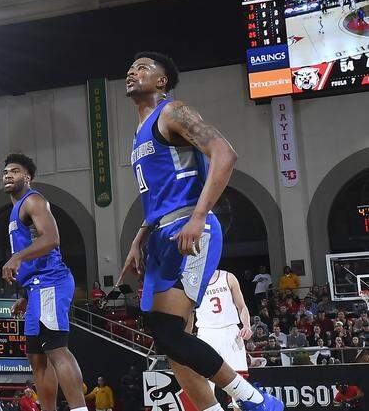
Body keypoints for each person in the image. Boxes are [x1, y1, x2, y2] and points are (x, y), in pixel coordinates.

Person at [120, 52, 281, 411]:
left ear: (162, 81)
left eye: (143, 68)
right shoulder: (138, 132)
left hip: (190, 231)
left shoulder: (173, 111)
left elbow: (224, 154)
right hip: (161, 234)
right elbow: (159, 193)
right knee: (169, 340)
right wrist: (140, 235)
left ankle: (256, 400)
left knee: (169, 331)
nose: (132, 72)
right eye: (130, 69)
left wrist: (199, 215)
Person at [0, 153, 88, 411]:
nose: (8, 175)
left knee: (57, 349)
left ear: (27, 177)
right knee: (37, 357)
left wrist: (16, 257)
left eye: (14, 171)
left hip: (51, 280)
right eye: (5, 171)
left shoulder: (34, 200)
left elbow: (51, 239)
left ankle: (79, 409)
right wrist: (27, 296)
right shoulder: (15, 210)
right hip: (36, 287)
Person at [195, 270, 253, 404]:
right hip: (206, 333)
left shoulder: (228, 277)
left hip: (230, 331)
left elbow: (242, 307)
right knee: (205, 383)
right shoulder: (192, 280)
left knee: (239, 381)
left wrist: (246, 326)